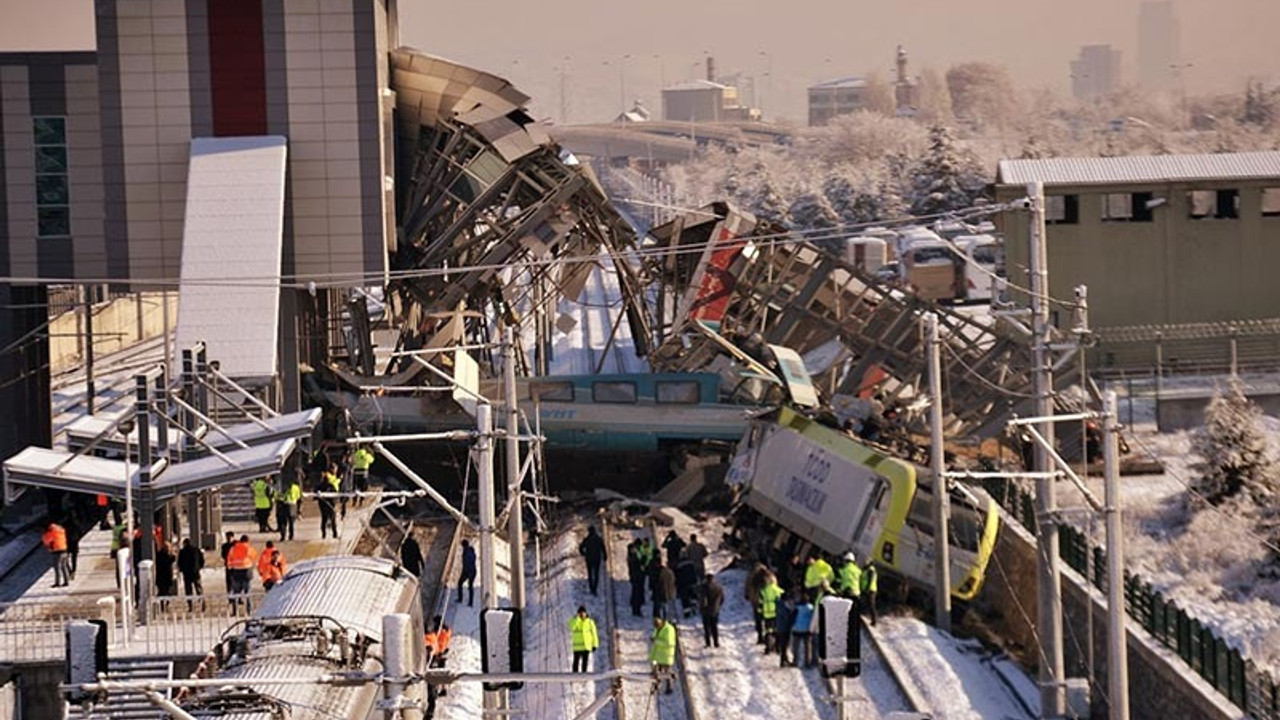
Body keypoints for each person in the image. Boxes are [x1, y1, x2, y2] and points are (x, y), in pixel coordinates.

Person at [424, 615, 452, 719]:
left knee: (435, 679)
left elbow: (437, 645)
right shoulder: (447, 630)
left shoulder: (438, 634)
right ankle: (443, 690)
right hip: (441, 654)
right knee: (440, 675)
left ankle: (438, 694)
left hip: (438, 656)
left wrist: (437, 652)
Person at [226, 534, 257, 615]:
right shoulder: (249, 548)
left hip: (236, 572)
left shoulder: (233, 548)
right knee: (248, 593)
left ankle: (235, 611)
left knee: (236, 593)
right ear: (247, 541)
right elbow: (254, 557)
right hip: (247, 571)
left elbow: (229, 560)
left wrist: (230, 568)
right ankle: (249, 611)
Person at [649, 616, 678, 695]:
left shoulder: (669, 629)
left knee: (666, 672)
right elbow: (656, 636)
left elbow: (669, 643)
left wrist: (657, 641)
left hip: (666, 655)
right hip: (658, 654)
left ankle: (670, 687)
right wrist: (653, 638)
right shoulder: (658, 628)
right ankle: (656, 685)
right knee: (656, 671)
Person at [745, 563, 772, 645]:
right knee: (768, 620)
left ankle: (760, 636)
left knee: (758, 619)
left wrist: (748, 595)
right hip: (767, 601)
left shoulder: (752, 575)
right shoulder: (769, 575)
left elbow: (747, 585)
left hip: (756, 601)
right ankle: (768, 637)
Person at [758, 571, 784, 655]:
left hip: (767, 613)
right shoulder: (778, 590)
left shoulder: (763, 591)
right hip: (776, 612)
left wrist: (760, 611)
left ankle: (768, 648)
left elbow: (760, 602)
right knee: (777, 630)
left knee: (768, 631)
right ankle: (777, 648)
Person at [568, 605, 599, 673]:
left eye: (583, 613)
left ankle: (584, 676)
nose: (582, 614)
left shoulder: (590, 622)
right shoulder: (575, 621)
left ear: (586, 613)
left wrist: (595, 644)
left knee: (585, 663)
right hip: (577, 647)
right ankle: (574, 676)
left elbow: (594, 634)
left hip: (586, 646)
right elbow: (571, 627)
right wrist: (577, 619)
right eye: (580, 613)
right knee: (576, 662)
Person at [177, 537, 205, 611]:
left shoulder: (182, 552)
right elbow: (202, 560)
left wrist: (181, 570)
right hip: (196, 573)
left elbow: (179, 563)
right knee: (198, 588)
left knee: (188, 590)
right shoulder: (196, 550)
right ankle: (202, 603)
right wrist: (199, 567)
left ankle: (190, 606)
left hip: (187, 574)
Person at [578, 526, 607, 596]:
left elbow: (581, 547)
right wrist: (605, 556)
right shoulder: (599, 539)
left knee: (590, 574)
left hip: (589, 559)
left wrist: (583, 553)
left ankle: (591, 588)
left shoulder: (587, 539)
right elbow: (603, 548)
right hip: (597, 559)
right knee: (596, 574)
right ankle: (595, 588)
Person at [699, 573, 724, 648]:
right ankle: (716, 642)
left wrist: (702, 607)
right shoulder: (719, 587)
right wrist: (718, 605)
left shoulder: (704, 587)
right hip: (715, 610)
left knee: (706, 627)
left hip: (706, 610)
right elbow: (722, 598)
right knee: (714, 626)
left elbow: (703, 599)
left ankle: (708, 643)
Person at [42, 519, 70, 588]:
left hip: (57, 551)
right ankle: (66, 581)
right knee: (63, 566)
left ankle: (57, 583)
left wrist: (44, 537)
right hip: (64, 549)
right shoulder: (61, 530)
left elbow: (46, 540)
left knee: (57, 567)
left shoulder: (52, 532)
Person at [792, 591, 816, 668]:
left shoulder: (797, 608)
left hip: (797, 629)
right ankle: (807, 662)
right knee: (807, 647)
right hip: (807, 629)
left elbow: (792, 618)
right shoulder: (811, 608)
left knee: (796, 646)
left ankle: (795, 661)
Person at [775, 590, 797, 667]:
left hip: (780, 627)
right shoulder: (784, 608)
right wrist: (793, 614)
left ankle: (784, 659)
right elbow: (787, 619)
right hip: (784, 628)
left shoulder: (779, 605)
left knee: (783, 644)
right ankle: (783, 660)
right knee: (784, 644)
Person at [318, 465, 340, 540]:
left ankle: (324, 534)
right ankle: (334, 533)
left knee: (324, 518)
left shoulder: (321, 485)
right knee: (332, 518)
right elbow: (335, 491)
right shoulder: (331, 483)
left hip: (323, 504)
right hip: (330, 503)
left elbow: (316, 492)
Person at [675, 554, 699, 618]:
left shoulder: (678, 566)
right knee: (692, 594)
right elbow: (695, 573)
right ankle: (694, 605)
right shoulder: (691, 564)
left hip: (683, 584)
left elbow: (677, 577)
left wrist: (677, 587)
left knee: (684, 598)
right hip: (692, 582)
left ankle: (687, 612)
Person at [626, 540, 646, 616]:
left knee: (635, 591)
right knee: (636, 592)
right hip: (637, 576)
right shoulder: (634, 556)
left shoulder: (632, 555)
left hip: (635, 575)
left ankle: (635, 607)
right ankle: (636, 609)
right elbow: (638, 564)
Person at [155, 541, 177, 610]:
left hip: (160, 576)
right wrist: (172, 551)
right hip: (167, 576)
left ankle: (162, 605)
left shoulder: (158, 555)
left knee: (162, 591)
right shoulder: (169, 556)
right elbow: (173, 558)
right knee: (167, 592)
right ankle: (165, 604)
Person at [278, 475, 301, 541]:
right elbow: (298, 497)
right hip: (293, 506)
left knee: (283, 522)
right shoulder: (296, 487)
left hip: (284, 505)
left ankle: (283, 536)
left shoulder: (284, 488)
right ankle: (291, 536)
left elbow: (280, 497)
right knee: (291, 523)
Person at [458, 539, 477, 606]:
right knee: (468, 585)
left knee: (465, 584)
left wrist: (467, 573)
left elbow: (468, 564)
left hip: (469, 572)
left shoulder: (467, 552)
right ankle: (469, 602)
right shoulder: (468, 551)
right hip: (470, 571)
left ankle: (463, 600)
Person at [862, 560, 879, 625]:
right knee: (868, 604)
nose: (865, 563)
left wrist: (867, 588)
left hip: (870, 589)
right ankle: (867, 616)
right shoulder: (866, 570)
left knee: (871, 605)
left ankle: (874, 621)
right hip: (867, 589)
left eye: (866, 562)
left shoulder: (871, 570)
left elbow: (870, 579)